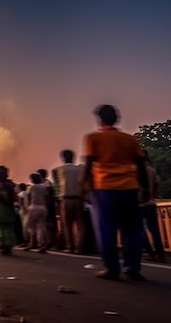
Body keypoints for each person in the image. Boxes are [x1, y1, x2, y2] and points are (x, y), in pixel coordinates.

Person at [81, 104, 149, 281]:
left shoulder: (93, 139)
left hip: (105, 188)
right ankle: (132, 268)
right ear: (117, 119)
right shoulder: (130, 140)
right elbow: (141, 165)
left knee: (106, 229)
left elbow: (88, 166)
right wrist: (146, 187)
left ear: (100, 120)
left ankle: (112, 268)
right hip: (129, 187)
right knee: (133, 230)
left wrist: (84, 187)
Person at [53, 149, 85, 254]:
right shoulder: (80, 169)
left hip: (65, 199)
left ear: (63, 158)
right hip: (78, 199)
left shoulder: (59, 170)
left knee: (67, 225)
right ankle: (79, 247)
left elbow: (56, 183)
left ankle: (70, 246)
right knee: (80, 225)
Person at [140, 150, 165, 263]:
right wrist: (152, 196)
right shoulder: (152, 170)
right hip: (151, 203)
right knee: (155, 230)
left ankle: (149, 251)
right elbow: (156, 184)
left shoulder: (134, 171)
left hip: (139, 204)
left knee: (140, 229)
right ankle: (160, 254)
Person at [23, 174, 48, 253]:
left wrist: (26, 207)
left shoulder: (31, 187)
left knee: (31, 227)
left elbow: (29, 198)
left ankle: (32, 243)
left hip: (33, 207)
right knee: (41, 227)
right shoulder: (43, 187)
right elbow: (46, 197)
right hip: (42, 207)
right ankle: (42, 244)